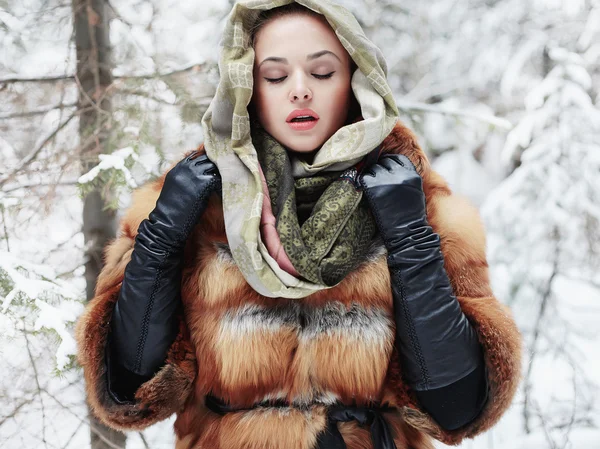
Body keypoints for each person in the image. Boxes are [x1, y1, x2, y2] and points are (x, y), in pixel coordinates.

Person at [75, 1, 522, 448]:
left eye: (323, 72)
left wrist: (410, 240)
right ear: (246, 85)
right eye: (275, 76)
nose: (300, 90)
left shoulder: (416, 201)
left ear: (356, 80)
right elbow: (130, 391)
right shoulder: (189, 200)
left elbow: (457, 406)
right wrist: (162, 237)